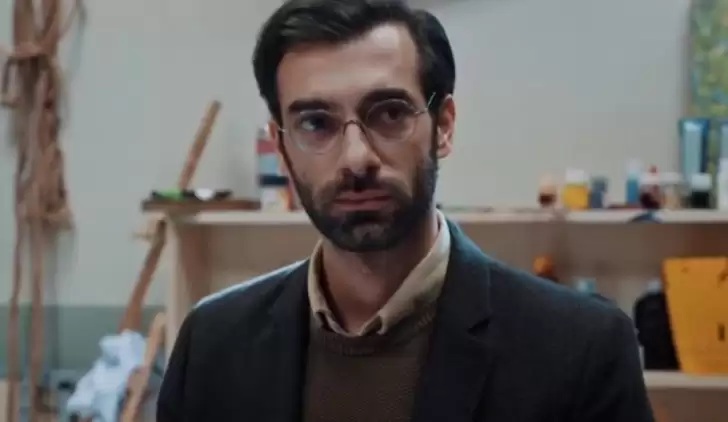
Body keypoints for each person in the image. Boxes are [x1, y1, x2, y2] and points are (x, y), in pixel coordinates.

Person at [157, 1, 654, 421]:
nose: (356, 158)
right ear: (282, 148)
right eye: (315, 123)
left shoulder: (579, 350)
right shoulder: (212, 346)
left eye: (390, 113)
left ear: (444, 125)